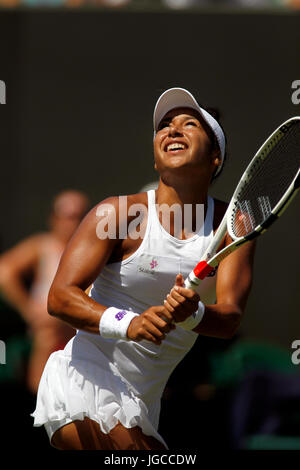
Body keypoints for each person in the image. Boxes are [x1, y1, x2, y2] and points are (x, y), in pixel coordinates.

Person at [31, 88, 256, 450]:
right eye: (165, 126)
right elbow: (59, 298)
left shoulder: (233, 226)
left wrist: (192, 313)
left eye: (190, 124)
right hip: (83, 383)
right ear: (155, 159)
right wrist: (129, 323)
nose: (173, 130)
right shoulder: (115, 214)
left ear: (216, 157)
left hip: (143, 407)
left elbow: (229, 318)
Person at [0, 190, 90, 394]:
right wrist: (28, 309)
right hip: (49, 326)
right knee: (47, 333)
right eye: (68, 216)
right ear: (54, 218)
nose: (74, 223)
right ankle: (38, 400)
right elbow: (4, 271)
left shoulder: (90, 249)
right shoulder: (43, 245)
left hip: (79, 325)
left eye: (80, 216)